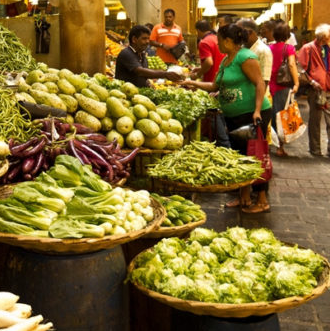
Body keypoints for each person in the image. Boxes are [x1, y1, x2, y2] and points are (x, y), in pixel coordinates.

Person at [181, 23, 273, 213]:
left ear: (229, 41)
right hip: (234, 116)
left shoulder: (245, 57)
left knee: (254, 156)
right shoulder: (225, 60)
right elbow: (216, 87)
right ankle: (244, 196)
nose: (218, 44)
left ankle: (262, 200)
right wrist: (193, 83)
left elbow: (259, 83)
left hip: (251, 114)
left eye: (220, 40)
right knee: (239, 156)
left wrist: (256, 110)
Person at [298, 23, 330, 158]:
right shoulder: (308, 48)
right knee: (315, 119)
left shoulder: (327, 48)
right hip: (316, 88)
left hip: (329, 86)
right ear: (323, 37)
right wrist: (311, 81)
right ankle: (315, 148)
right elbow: (300, 69)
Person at [191, 19, 230, 147]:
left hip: (212, 82)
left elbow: (208, 62)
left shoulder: (204, 42)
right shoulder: (217, 39)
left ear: (198, 30)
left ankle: (220, 144)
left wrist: (197, 74)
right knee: (221, 115)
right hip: (224, 80)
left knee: (213, 116)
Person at [115, 24, 184, 87]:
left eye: (148, 38)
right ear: (134, 39)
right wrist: (165, 74)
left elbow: (143, 75)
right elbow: (140, 72)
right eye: (144, 39)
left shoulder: (142, 54)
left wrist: (148, 83)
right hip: (126, 94)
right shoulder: (127, 53)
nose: (148, 41)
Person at [269, 22, 300, 156]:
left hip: (270, 84)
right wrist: (297, 83)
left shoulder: (269, 47)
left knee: (271, 114)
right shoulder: (289, 48)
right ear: (287, 35)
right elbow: (292, 65)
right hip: (283, 84)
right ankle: (279, 147)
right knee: (281, 115)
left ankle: (270, 143)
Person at [240, 18, 273, 95]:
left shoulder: (263, 50)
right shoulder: (242, 48)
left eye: (240, 33)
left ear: (249, 32)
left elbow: (264, 80)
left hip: (256, 98)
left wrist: (258, 104)